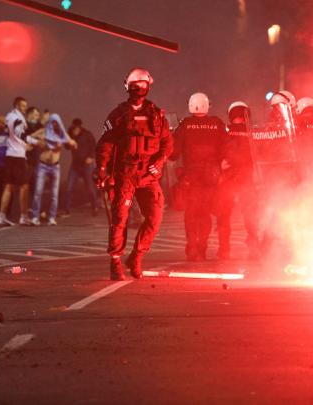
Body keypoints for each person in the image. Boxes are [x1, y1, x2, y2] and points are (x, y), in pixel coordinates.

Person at [95, 68, 173, 280]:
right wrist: (101, 170)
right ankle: (116, 262)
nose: (140, 88)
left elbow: (167, 143)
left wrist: (160, 160)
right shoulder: (118, 115)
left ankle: (136, 257)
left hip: (148, 176)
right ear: (128, 87)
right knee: (120, 219)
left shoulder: (157, 115)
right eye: (136, 85)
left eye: (143, 84)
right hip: (125, 174)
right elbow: (105, 145)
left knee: (155, 217)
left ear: (148, 86)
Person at [171, 92, 227, 260]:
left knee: (191, 214)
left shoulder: (185, 125)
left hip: (191, 178)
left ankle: (192, 248)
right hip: (211, 177)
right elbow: (226, 148)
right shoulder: (217, 123)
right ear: (207, 105)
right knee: (205, 213)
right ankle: (202, 248)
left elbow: (173, 153)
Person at [216, 102, 259, 259]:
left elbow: (217, 152)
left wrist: (222, 165)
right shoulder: (254, 132)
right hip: (247, 178)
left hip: (228, 179)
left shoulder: (225, 132)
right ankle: (255, 248)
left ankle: (224, 250)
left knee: (223, 216)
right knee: (250, 215)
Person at [30, 113, 76, 226]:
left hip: (55, 166)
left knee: (54, 194)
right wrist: (38, 142)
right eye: (52, 122)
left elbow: (74, 144)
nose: (54, 124)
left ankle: (51, 217)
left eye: (56, 122)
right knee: (38, 192)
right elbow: (29, 137)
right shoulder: (43, 131)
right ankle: (35, 217)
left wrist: (70, 144)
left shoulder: (61, 133)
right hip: (42, 165)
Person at [0, 97, 34, 225]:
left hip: (10, 155)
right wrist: (30, 143)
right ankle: (23, 217)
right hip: (18, 156)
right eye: (23, 106)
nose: (25, 108)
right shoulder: (18, 118)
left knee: (9, 186)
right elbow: (19, 135)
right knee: (24, 186)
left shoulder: (9, 116)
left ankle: (1, 216)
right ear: (17, 106)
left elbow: (10, 134)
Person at [61, 118, 99, 217]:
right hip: (75, 166)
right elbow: (66, 147)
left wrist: (91, 157)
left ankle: (95, 207)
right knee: (69, 187)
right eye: (74, 128)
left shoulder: (87, 134)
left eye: (78, 127)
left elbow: (94, 146)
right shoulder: (70, 134)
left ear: (80, 127)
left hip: (87, 165)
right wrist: (69, 140)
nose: (76, 129)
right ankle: (67, 210)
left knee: (90, 188)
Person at [22, 106, 43, 224]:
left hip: (37, 160)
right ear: (29, 114)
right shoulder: (24, 126)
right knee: (25, 186)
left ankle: (37, 211)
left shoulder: (39, 125)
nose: (37, 117)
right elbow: (23, 138)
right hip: (26, 160)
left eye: (38, 115)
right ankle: (25, 212)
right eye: (35, 114)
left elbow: (43, 136)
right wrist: (35, 136)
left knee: (37, 187)